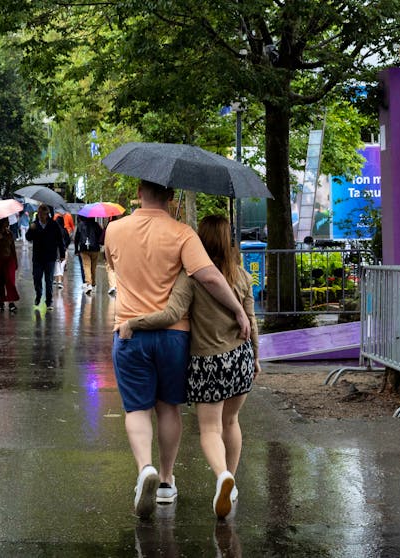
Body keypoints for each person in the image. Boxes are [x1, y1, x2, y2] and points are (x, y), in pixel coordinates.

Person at [104, 180, 250, 519]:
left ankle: (145, 470)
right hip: (174, 336)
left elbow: (114, 270)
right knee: (169, 408)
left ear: (139, 192)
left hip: (130, 331)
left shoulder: (114, 230)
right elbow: (211, 277)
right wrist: (238, 310)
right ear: (171, 196)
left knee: (137, 410)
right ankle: (167, 482)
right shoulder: (183, 233)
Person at [25, 204, 66, 308]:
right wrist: (31, 229)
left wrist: (62, 254)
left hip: (50, 257)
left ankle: (49, 301)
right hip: (38, 257)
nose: (40, 216)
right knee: (37, 278)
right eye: (39, 214)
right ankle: (38, 295)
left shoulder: (54, 225)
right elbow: (28, 238)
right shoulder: (34, 225)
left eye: (42, 214)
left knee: (49, 280)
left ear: (47, 214)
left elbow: (60, 240)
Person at [74, 215, 104, 294]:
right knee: (93, 267)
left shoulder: (80, 225)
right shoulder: (96, 225)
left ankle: (88, 284)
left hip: (84, 249)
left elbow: (76, 238)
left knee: (86, 266)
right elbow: (101, 236)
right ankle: (93, 284)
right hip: (95, 248)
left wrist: (76, 249)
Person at [53, 212, 72, 288]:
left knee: (56, 264)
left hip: (55, 249)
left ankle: (56, 279)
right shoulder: (65, 230)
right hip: (63, 249)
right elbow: (68, 240)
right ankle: (59, 280)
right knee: (61, 264)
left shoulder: (53, 230)